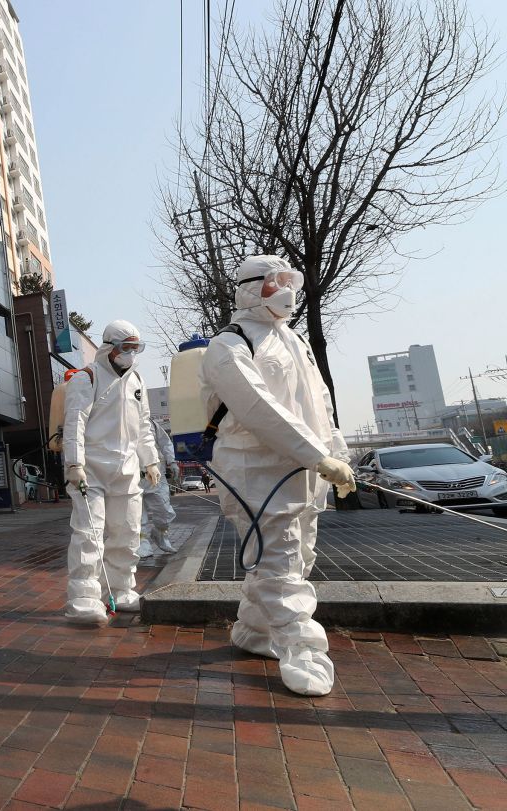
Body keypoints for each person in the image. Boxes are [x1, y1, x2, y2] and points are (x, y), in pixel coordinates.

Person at [200, 255, 354, 697]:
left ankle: (253, 632)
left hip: (303, 470)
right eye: (274, 283)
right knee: (280, 563)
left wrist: (334, 454)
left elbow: (320, 404)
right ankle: (302, 652)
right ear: (250, 288)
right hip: (256, 472)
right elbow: (257, 408)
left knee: (295, 557)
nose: (286, 290)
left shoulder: (295, 341)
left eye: (290, 281)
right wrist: (316, 455)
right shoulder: (227, 345)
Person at [61, 320, 160, 625]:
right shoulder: (86, 379)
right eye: (125, 348)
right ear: (109, 347)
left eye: (135, 348)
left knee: (127, 532)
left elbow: (143, 426)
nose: (130, 354)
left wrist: (150, 460)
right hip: (91, 470)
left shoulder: (137, 382)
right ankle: (83, 598)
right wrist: (74, 463)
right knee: (89, 535)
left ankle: (121, 589)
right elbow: (75, 422)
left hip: (127, 470)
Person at [139, 420, 178, 555]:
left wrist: (172, 461)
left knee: (164, 509)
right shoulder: (118, 420)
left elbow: (165, 443)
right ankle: (142, 542)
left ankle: (161, 534)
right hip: (132, 478)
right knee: (137, 514)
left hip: (156, 476)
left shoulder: (152, 424)